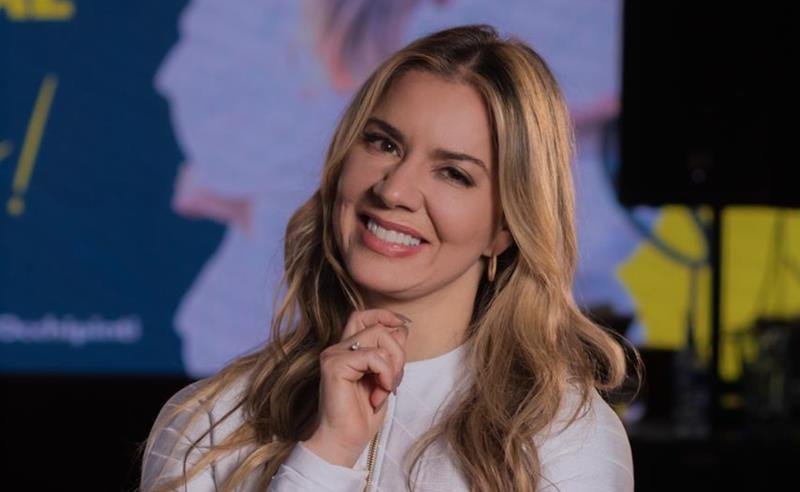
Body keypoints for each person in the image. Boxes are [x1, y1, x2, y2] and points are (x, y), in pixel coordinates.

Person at [140, 25, 640, 491]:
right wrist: (325, 455)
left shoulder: (565, 439)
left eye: (454, 173)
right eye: (383, 143)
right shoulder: (212, 422)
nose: (394, 189)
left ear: (505, 229)